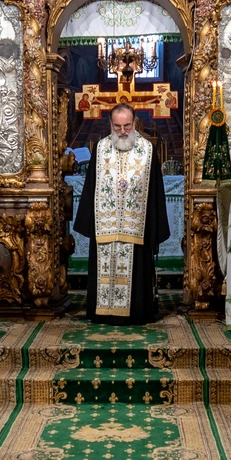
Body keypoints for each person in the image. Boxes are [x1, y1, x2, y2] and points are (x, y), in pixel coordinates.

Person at [74, 103, 169, 323]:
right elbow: (91, 187)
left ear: (134, 123)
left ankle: (137, 313)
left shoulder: (147, 149)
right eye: (117, 127)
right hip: (105, 225)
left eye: (127, 126)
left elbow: (155, 191)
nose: (123, 131)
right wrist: (90, 223)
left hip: (137, 226)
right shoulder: (100, 149)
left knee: (137, 273)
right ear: (110, 124)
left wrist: (155, 228)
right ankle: (103, 313)